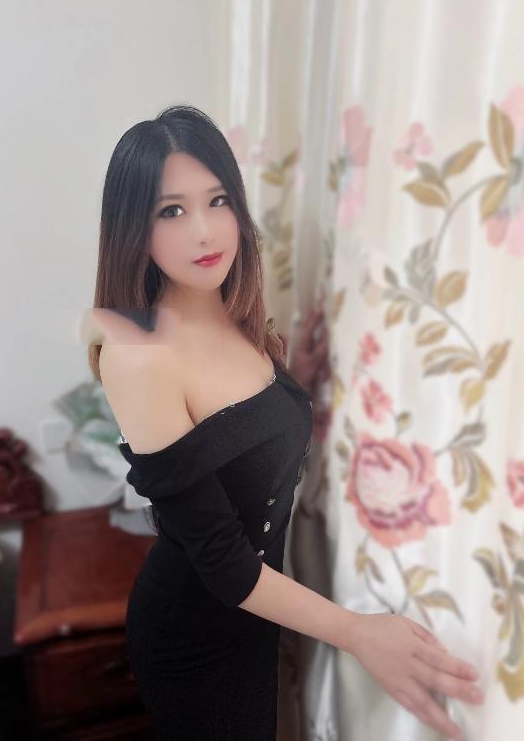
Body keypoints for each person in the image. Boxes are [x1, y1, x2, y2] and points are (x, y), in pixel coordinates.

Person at [87, 105, 483, 741]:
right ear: (134, 227)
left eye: (217, 201)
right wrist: (358, 633)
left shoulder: (232, 312)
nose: (204, 232)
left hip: (258, 614)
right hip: (192, 633)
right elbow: (221, 558)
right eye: (172, 211)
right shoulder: (139, 354)